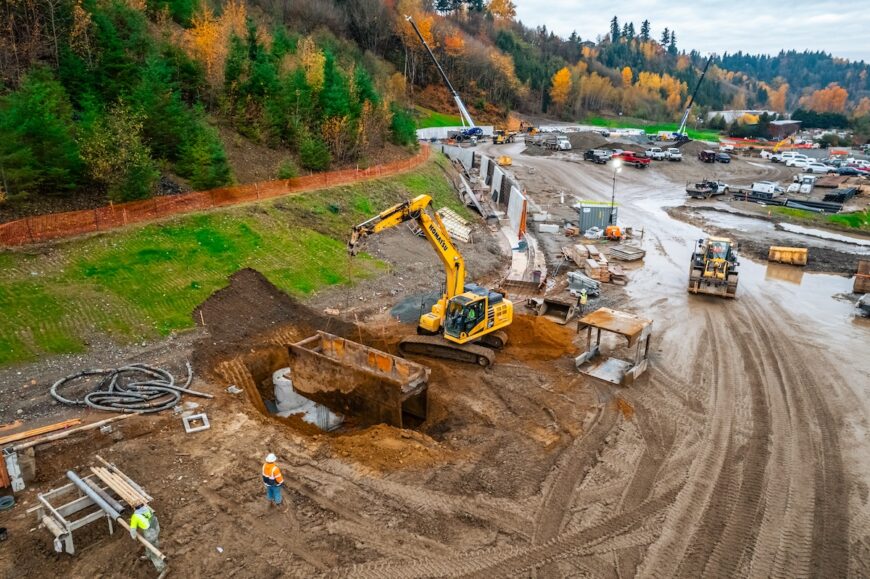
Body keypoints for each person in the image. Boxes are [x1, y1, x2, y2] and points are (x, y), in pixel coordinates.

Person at [129, 504, 165, 573]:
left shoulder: (135, 516)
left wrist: (134, 537)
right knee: (150, 543)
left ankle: (162, 568)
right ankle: (148, 555)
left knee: (153, 551)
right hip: (156, 529)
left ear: (134, 508)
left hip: (149, 534)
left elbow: (133, 530)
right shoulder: (147, 508)